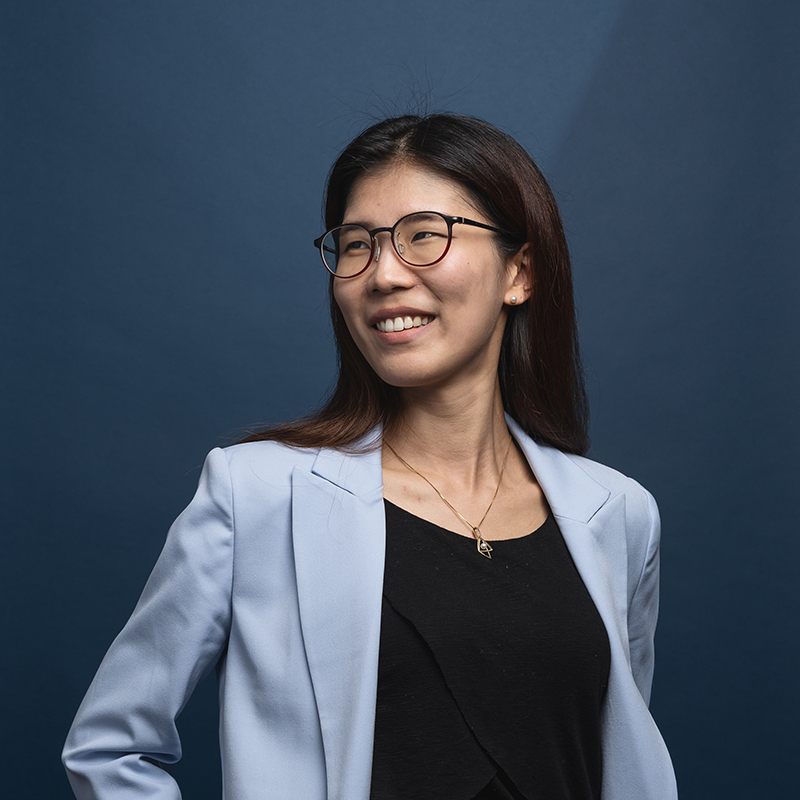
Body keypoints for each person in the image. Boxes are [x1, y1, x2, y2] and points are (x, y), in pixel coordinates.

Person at [63, 113, 678, 800]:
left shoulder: (619, 515)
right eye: (356, 245)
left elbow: (617, 759)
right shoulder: (256, 493)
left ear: (520, 273)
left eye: (424, 235)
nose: (383, 274)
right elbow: (110, 748)